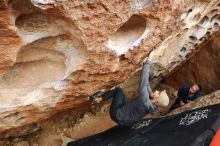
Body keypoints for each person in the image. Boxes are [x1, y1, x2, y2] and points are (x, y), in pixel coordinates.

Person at [89, 60, 169, 127]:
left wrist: (147, 63)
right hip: (126, 120)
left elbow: (143, 82)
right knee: (123, 96)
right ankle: (103, 100)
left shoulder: (145, 101)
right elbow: (147, 85)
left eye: (159, 94)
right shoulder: (153, 105)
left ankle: (97, 99)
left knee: (118, 91)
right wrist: (151, 93)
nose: (158, 91)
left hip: (116, 115)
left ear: (157, 100)